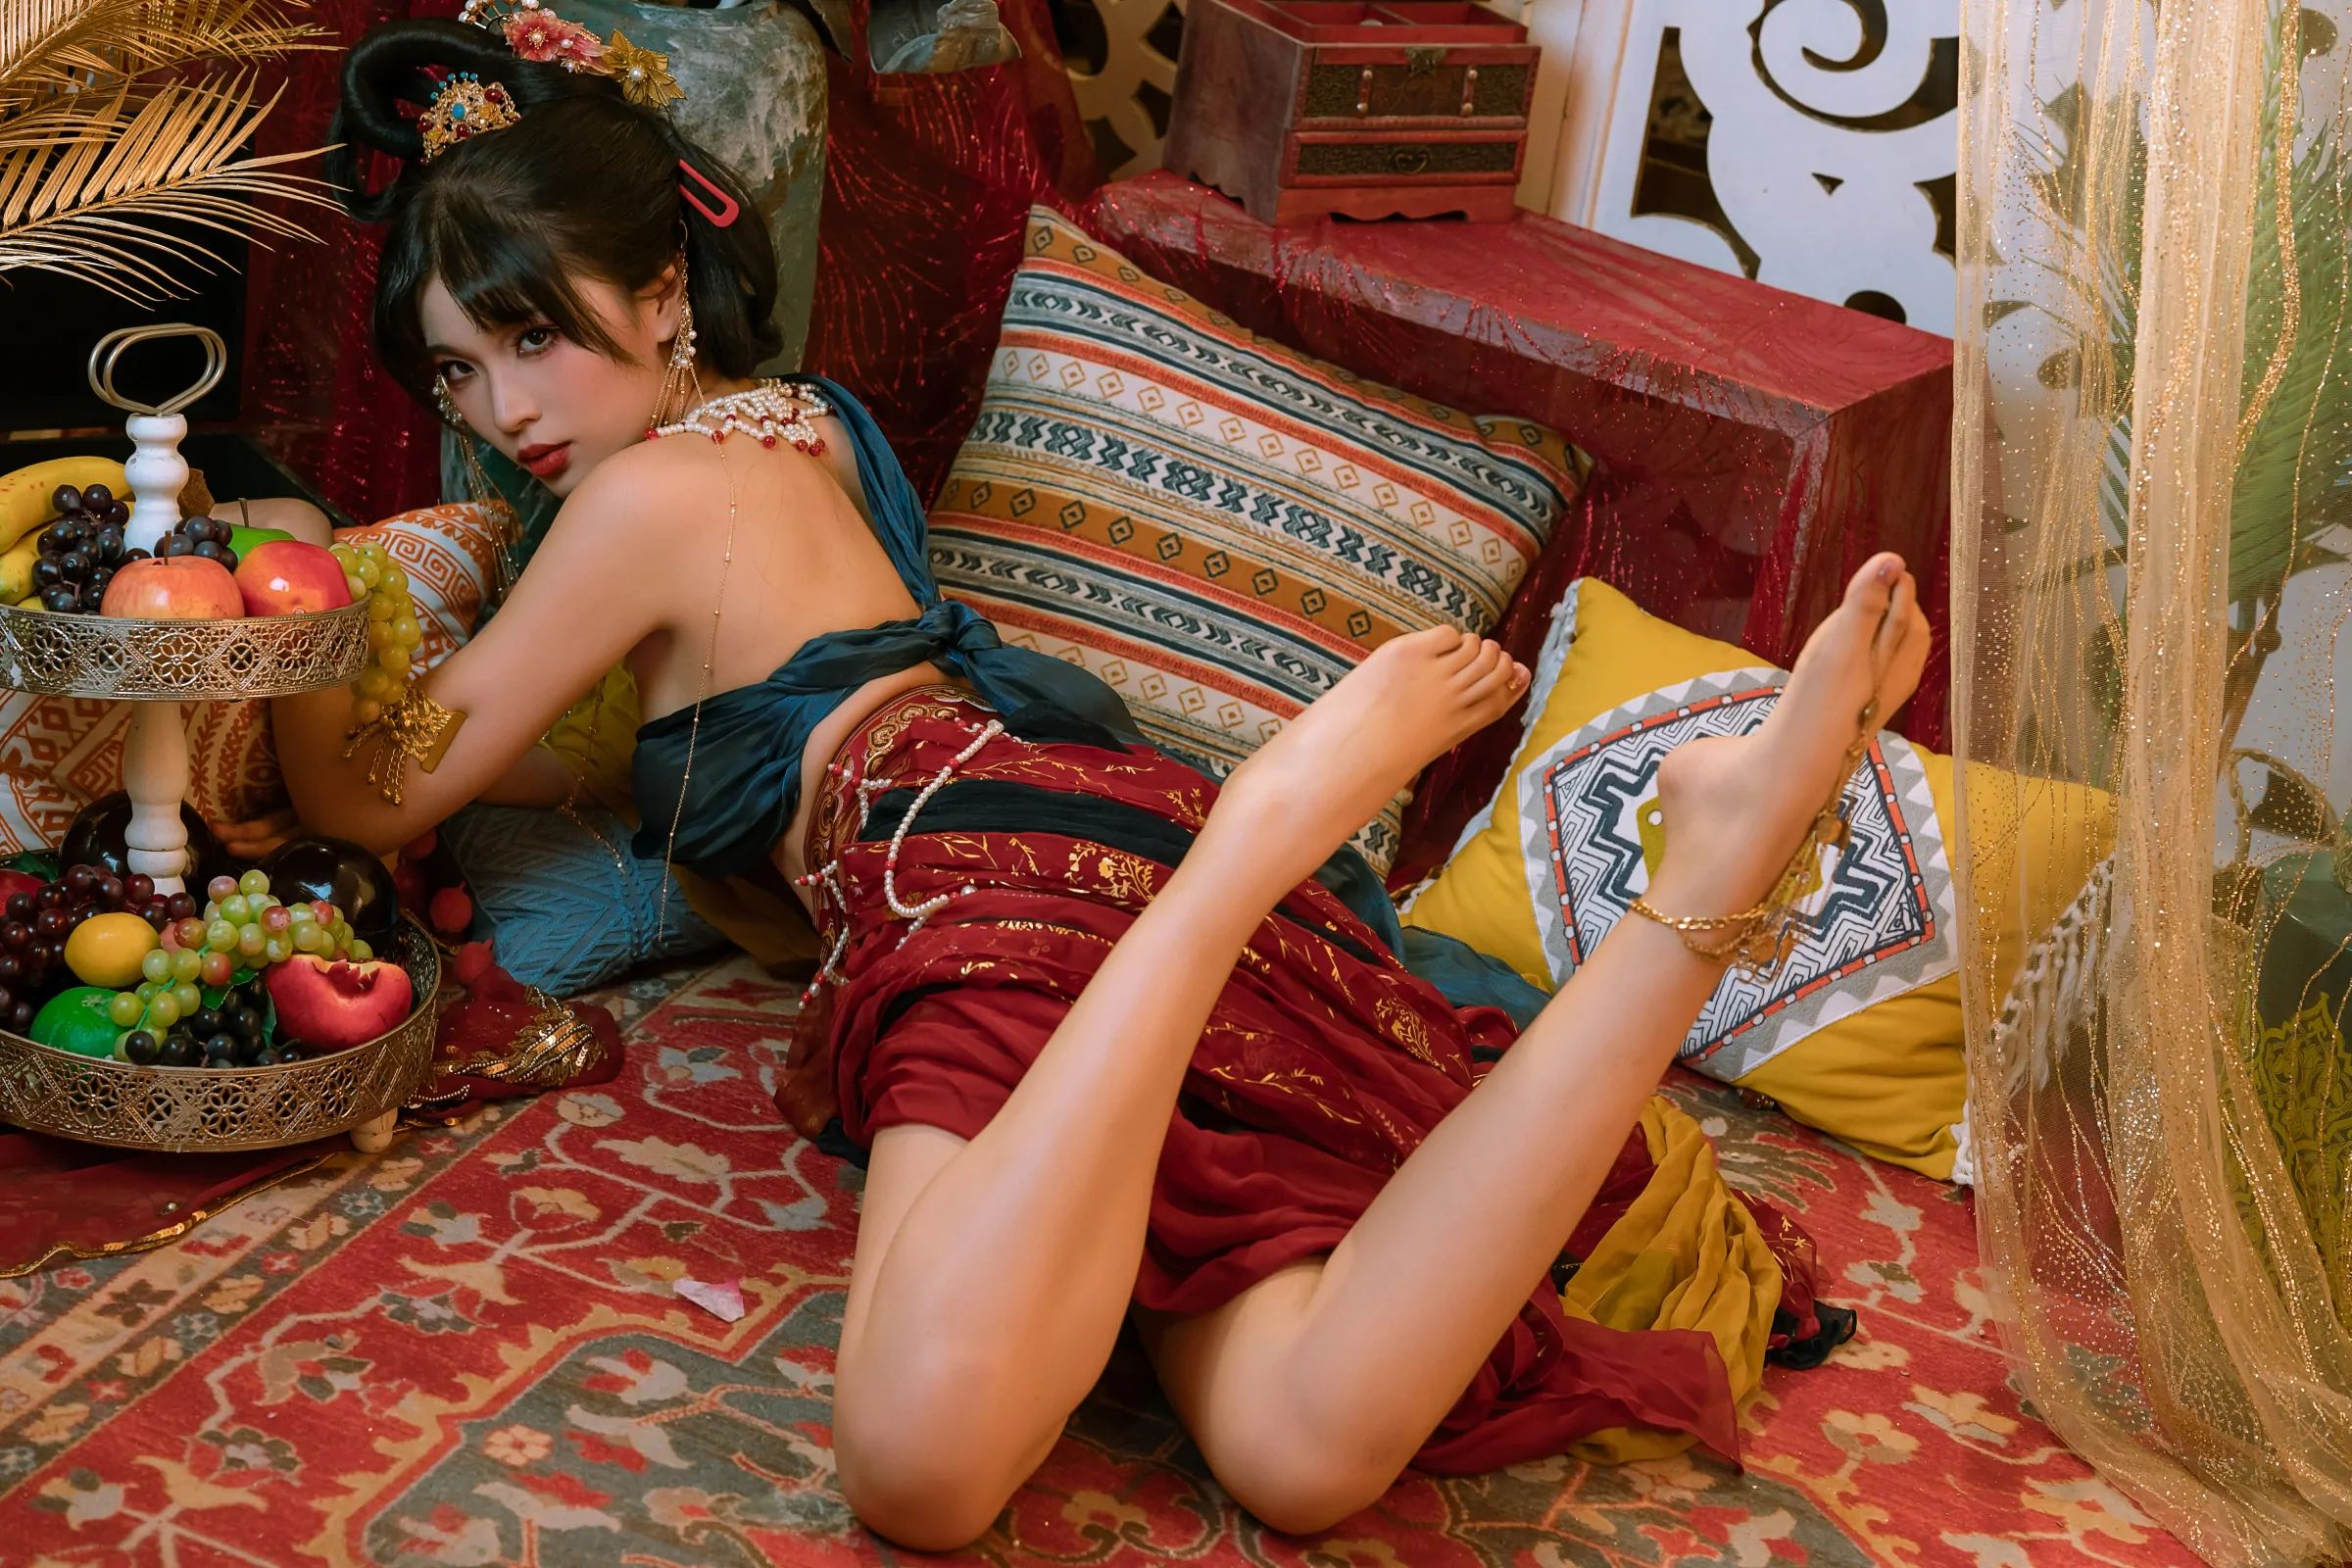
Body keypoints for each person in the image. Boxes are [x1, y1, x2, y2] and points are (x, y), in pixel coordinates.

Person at [279, 10, 1933, 1549]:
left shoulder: (637, 504)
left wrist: (280, 588)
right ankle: (1700, 878)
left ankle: (1262, 832)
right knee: (1297, 1449)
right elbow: (653, 732)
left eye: (531, 336)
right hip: (1072, 824)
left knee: (921, 1468)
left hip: (966, 877)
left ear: (658, 295)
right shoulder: (801, 429)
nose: (503, 412)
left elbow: (370, 795)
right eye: (454, 372)